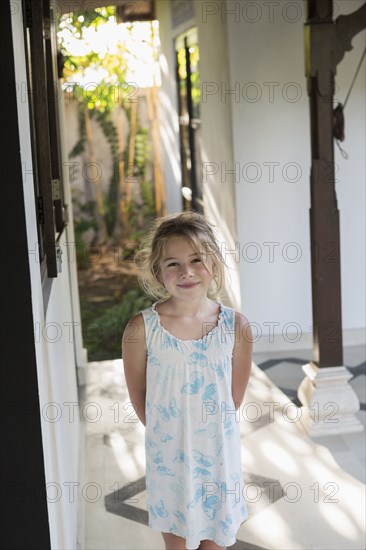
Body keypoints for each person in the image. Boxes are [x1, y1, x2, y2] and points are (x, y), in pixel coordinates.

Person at [122, 211, 253, 550]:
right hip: (170, 460)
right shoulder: (141, 329)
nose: (187, 272)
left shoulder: (236, 327)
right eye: (173, 264)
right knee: (177, 544)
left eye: (196, 259)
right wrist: (173, 438)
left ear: (213, 263)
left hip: (219, 458)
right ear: (157, 271)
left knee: (215, 542)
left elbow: (232, 398)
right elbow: (140, 397)